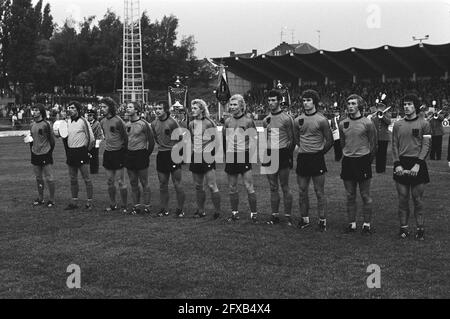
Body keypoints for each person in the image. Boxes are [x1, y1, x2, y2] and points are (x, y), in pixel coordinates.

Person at [392, 94, 431, 240]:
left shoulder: (424, 123)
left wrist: (418, 165)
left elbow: (426, 146)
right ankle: (403, 229)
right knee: (402, 199)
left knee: (417, 199)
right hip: (401, 163)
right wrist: (397, 164)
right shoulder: (397, 124)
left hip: (418, 163)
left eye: (409, 104)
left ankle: (420, 229)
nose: (406, 107)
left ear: (415, 106)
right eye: (404, 104)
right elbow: (394, 145)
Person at [294, 90, 333, 232]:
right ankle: (304, 219)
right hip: (303, 158)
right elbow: (296, 138)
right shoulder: (297, 120)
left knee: (319, 191)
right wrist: (305, 148)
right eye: (304, 100)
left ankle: (322, 220)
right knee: (302, 191)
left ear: (314, 102)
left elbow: (329, 141)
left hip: (317, 159)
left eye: (308, 100)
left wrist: (319, 152)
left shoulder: (321, 120)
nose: (305, 103)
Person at [339, 94, 377, 235]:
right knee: (350, 195)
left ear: (359, 106)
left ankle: (366, 225)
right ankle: (352, 224)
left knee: (365, 195)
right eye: (348, 103)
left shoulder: (367, 123)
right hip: (348, 161)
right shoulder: (343, 123)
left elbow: (374, 145)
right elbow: (343, 143)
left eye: (353, 103)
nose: (350, 106)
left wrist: (367, 159)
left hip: (363, 161)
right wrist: (348, 153)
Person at [222, 94, 258, 222]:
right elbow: (224, 138)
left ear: (241, 106)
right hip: (231, 156)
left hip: (244, 155)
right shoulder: (227, 121)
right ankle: (234, 213)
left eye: (234, 104)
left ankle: (254, 214)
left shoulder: (248, 121)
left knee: (249, 186)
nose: (232, 107)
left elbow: (254, 138)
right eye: (231, 105)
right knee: (232, 187)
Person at [263, 90, 296, 225]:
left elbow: (292, 139)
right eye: (269, 100)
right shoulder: (266, 120)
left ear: (279, 101)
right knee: (272, 186)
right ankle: (274, 216)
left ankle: (287, 216)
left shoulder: (287, 119)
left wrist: (288, 155)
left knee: (284, 186)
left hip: (282, 153)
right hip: (270, 153)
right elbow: (266, 139)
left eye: (273, 100)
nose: (271, 103)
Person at [151, 100, 186, 217]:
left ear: (165, 110)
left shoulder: (172, 122)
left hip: (173, 154)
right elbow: (156, 138)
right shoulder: (153, 123)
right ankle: (164, 209)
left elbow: (181, 139)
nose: (157, 110)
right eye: (156, 108)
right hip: (161, 155)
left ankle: (180, 209)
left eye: (160, 108)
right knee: (162, 184)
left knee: (177, 183)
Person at [188, 99, 221, 219]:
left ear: (202, 109)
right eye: (192, 108)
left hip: (207, 156)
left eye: (195, 108)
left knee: (212, 185)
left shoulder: (209, 123)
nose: (193, 110)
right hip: (196, 155)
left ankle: (217, 211)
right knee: (198, 186)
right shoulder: (191, 124)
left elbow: (216, 141)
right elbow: (193, 139)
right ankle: (201, 210)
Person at [124, 102, 155, 215]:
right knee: (133, 182)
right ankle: (136, 206)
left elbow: (151, 141)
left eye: (130, 107)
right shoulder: (126, 124)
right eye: (127, 107)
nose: (127, 108)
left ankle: (147, 206)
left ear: (136, 110)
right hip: (129, 155)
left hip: (141, 154)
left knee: (144, 182)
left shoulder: (144, 124)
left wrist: (146, 153)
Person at [64, 101, 95, 211]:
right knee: (73, 179)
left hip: (81, 152)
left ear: (77, 109)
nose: (70, 109)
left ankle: (89, 202)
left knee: (86, 179)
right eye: (69, 107)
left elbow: (91, 139)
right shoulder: (68, 122)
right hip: (71, 152)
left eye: (72, 107)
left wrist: (86, 151)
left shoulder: (83, 121)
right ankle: (74, 201)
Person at [100, 97, 128, 213]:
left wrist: (123, 152)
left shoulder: (118, 121)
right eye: (101, 107)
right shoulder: (102, 121)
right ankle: (113, 204)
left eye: (104, 107)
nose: (102, 109)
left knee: (121, 181)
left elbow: (125, 138)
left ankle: (124, 205)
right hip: (108, 153)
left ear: (110, 107)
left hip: (119, 153)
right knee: (110, 181)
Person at [29, 103, 56, 207]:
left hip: (45, 154)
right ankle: (41, 198)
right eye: (33, 110)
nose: (34, 112)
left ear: (41, 111)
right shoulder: (31, 125)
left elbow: (52, 141)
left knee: (49, 178)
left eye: (36, 110)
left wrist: (48, 152)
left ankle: (52, 199)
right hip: (35, 154)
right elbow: (32, 138)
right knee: (38, 178)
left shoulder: (46, 124)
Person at [371, 103, 391, 173]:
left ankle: (382, 169)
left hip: (384, 137)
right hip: (376, 137)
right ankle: (378, 169)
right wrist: (376, 115)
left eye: (382, 107)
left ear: (384, 108)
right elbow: (373, 122)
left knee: (383, 154)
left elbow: (389, 122)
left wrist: (383, 117)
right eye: (379, 107)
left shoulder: (387, 114)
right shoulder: (375, 116)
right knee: (377, 154)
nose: (380, 108)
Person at [87, 109, 103, 174]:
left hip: (95, 142)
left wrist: (97, 144)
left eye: (90, 115)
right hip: (89, 143)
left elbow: (99, 134)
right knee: (89, 156)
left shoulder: (97, 123)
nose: (89, 117)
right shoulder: (87, 123)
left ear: (93, 116)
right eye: (88, 115)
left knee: (95, 157)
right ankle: (91, 170)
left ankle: (95, 171)